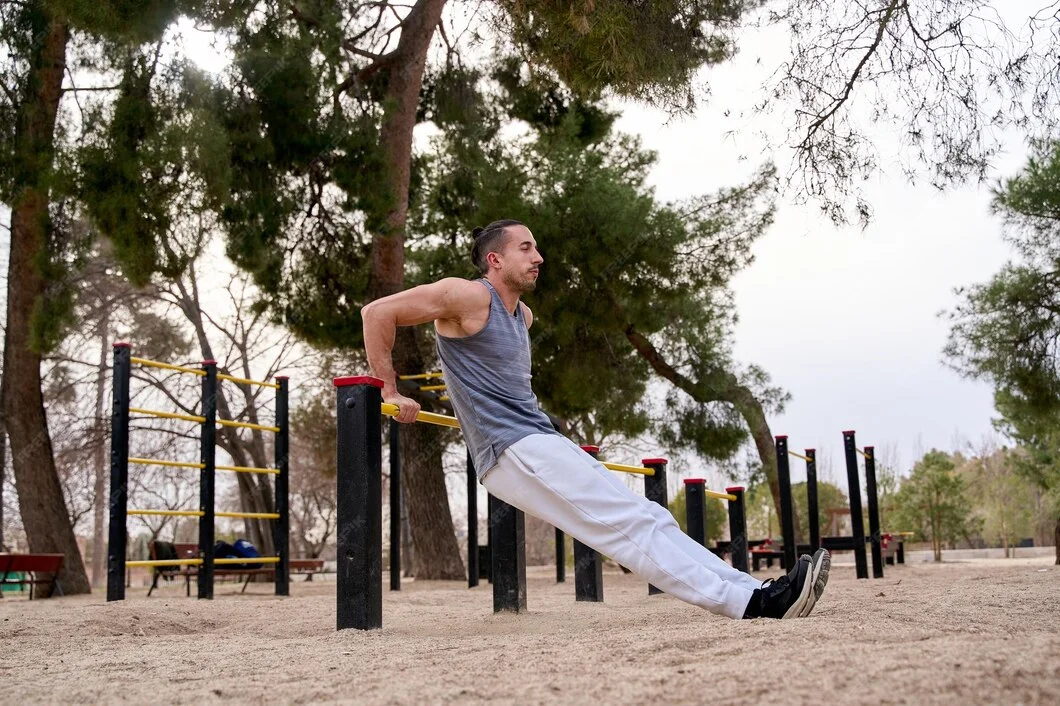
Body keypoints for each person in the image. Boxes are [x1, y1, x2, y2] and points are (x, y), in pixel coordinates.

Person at [361, 219, 830, 619]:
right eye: (525, 248)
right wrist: (389, 387)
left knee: (649, 515)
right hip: (511, 447)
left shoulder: (521, 316)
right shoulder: (464, 296)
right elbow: (377, 312)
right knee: (627, 523)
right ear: (495, 260)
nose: (538, 257)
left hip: (536, 437)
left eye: (537, 248)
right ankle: (749, 605)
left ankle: (756, 592)